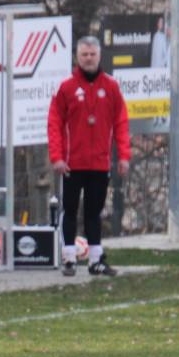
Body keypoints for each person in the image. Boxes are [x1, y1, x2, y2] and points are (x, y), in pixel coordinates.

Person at [48, 35, 130, 278]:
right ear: (77, 57)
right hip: (72, 164)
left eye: (92, 54)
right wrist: (57, 157)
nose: (88, 58)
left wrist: (123, 156)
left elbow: (121, 123)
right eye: (84, 54)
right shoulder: (66, 87)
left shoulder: (111, 87)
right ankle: (70, 257)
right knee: (70, 209)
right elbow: (54, 123)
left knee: (94, 211)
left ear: (99, 56)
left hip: (100, 162)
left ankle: (96, 259)